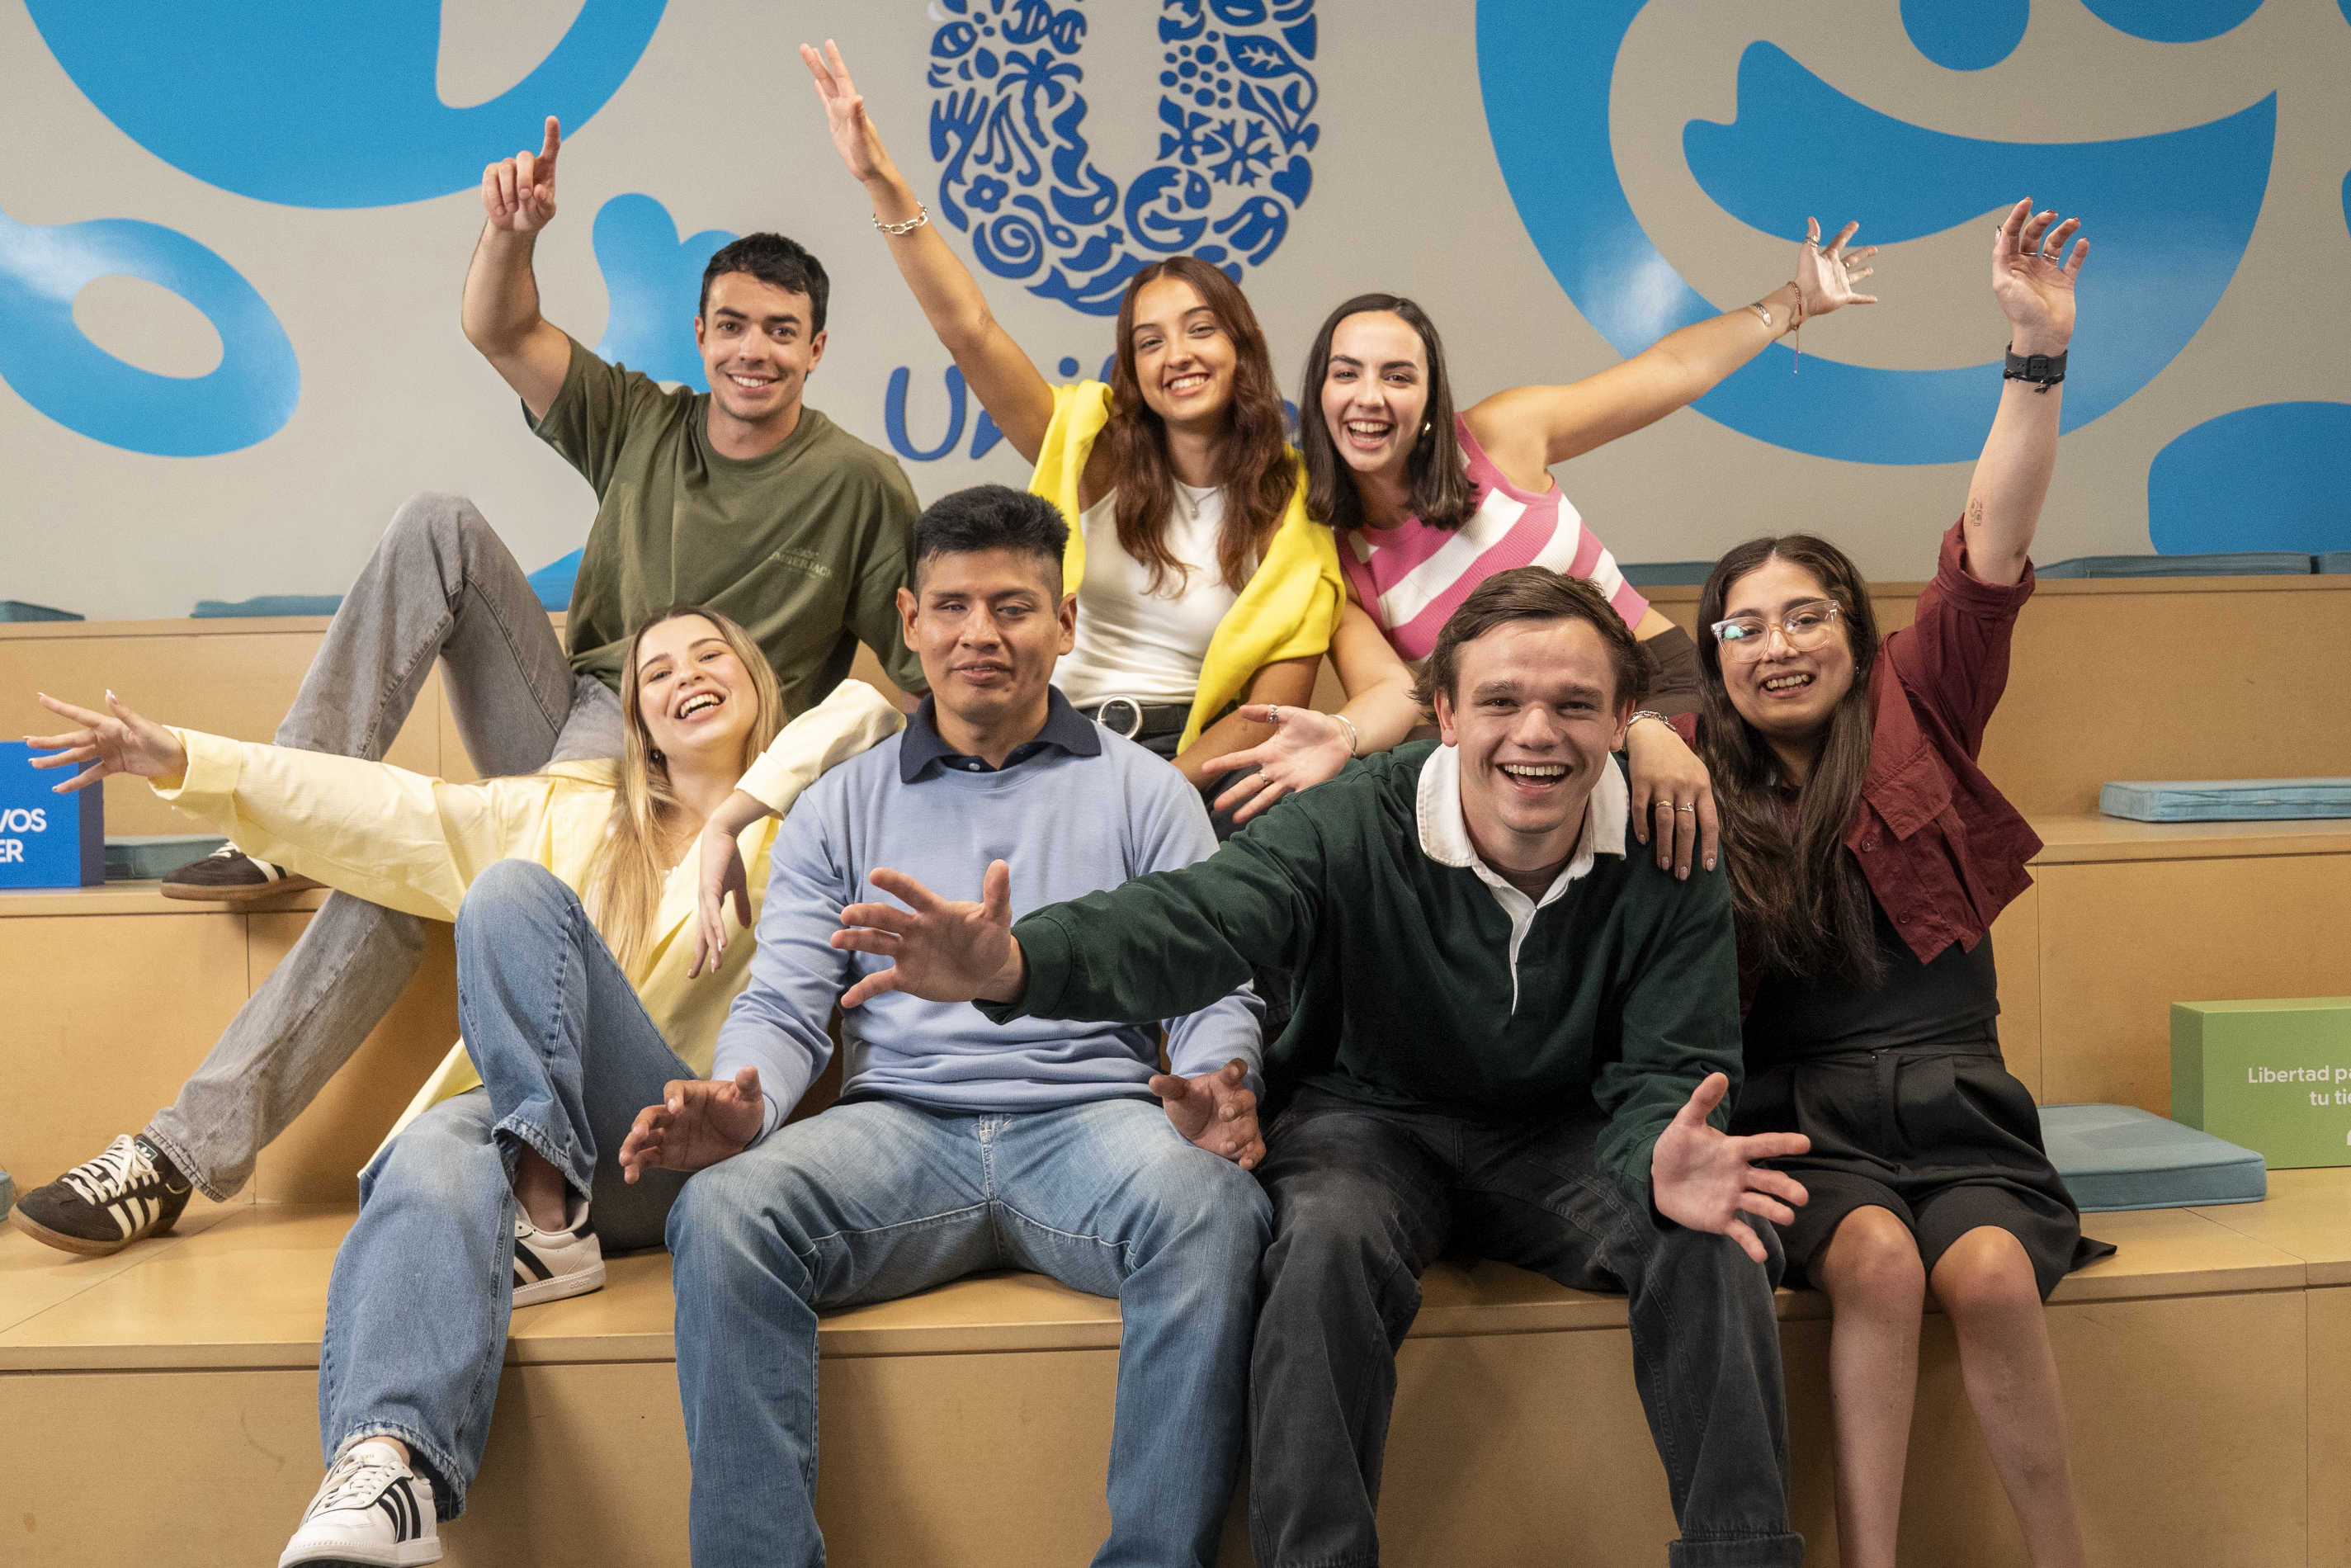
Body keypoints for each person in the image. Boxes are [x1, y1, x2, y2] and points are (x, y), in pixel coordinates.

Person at [12, 115, 926, 1256]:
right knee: (436, 522)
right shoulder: (646, 421)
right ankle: (292, 815)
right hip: (585, 719)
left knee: (400, 881)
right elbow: (500, 324)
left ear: (818, 349)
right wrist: (512, 232)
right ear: (700, 335)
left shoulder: (858, 482)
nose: (755, 349)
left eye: (782, 333)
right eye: (734, 325)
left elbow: (911, 663)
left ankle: (173, 1157)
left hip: (718, 778)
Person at [829, 569, 1816, 1567]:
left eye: (1572, 705)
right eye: (1499, 702)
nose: (1534, 733)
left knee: (1711, 1234)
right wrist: (1016, 961)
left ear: (1622, 719)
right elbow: (1198, 918)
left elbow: (1673, 1067)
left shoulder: (1670, 843)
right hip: (1368, 1121)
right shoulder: (1353, 817)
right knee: (1320, 1243)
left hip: (1567, 1137)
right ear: (1440, 714)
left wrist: (1658, 1157)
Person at [21, 606, 899, 1566]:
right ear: (636, 721)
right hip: (539, 1132)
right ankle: (386, 1469)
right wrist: (183, 757)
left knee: (509, 903)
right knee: (435, 1142)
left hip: (686, 1149)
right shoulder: (566, 813)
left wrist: (737, 813)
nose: (684, 675)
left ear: (758, 681)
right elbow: (383, 808)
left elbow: (865, 705)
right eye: (654, 672)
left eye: (709, 653)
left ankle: (544, 1211)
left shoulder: (816, 810)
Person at [617, 484, 1269, 1568]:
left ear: (1065, 627)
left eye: (1013, 608)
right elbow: (784, 1003)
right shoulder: (837, 805)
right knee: (724, 1209)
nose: (981, 635)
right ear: (910, 622)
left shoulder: (1149, 795)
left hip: (1093, 1124)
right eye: (954, 608)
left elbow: (1209, 982)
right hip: (897, 1130)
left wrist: (1216, 1078)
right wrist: (745, 1096)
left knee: (1217, 1209)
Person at [1695, 201, 2103, 1568]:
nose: (1773, 645)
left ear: (1852, 636)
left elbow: (1984, 546)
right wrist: (1640, 727)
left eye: (1803, 615)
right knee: (1870, 1262)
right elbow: (1552, 685)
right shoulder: (1680, 759)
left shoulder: (1918, 703)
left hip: (1953, 1095)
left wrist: (2030, 358)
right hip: (1797, 1115)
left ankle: (2064, 1556)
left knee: (1984, 1273)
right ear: (1713, 661)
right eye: (1740, 627)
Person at [1208, 224, 1879, 877]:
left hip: (1662, 689)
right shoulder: (1333, 551)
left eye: (1398, 376)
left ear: (1430, 396)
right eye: (1345, 373)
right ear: (1318, 395)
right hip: (1522, 748)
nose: (1369, 397)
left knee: (1693, 871)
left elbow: (1670, 371)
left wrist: (1794, 301)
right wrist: (1344, 738)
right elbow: (1399, 700)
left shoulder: (1501, 436)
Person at [804, 40, 1342, 816]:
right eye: (1149, 341)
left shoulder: (1298, 506)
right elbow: (971, 331)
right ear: (1130, 366)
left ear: (1239, 346)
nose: (1177, 355)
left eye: (1199, 330)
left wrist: (1150, 794)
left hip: (1186, 770)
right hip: (1036, 740)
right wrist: (880, 181)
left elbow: (1269, 712)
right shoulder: (1091, 446)